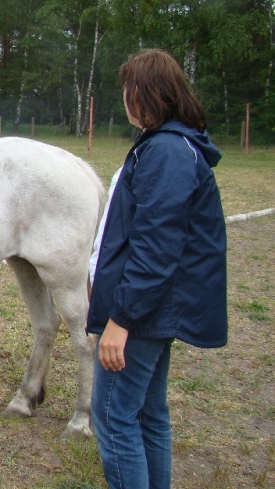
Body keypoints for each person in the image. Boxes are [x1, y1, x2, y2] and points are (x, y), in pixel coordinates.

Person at [87, 49, 227, 489]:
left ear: (145, 93)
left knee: (112, 417)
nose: (124, 98)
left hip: (144, 312)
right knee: (147, 412)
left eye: (128, 89)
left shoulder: (166, 151)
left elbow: (156, 248)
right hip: (155, 307)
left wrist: (121, 320)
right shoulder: (169, 144)